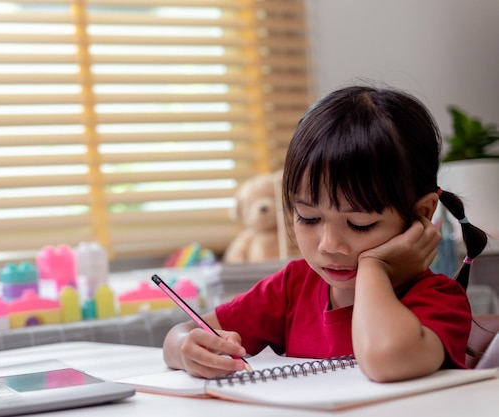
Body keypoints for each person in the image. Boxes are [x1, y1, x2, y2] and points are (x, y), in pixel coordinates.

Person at [162, 84, 488, 383]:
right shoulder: (293, 287)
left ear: (423, 213)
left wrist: (376, 267)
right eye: (308, 218)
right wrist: (187, 349)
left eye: (360, 224)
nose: (329, 245)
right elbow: (182, 332)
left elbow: (386, 361)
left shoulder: (438, 299)